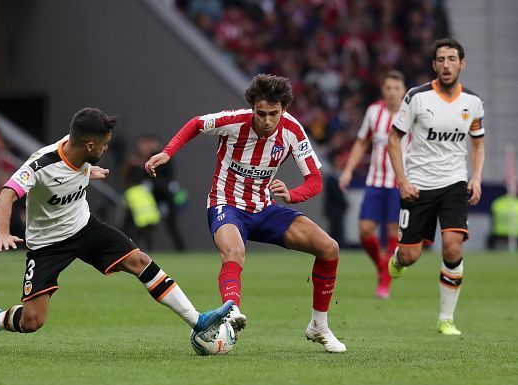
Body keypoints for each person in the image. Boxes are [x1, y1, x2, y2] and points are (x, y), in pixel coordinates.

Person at [0, 107, 233, 353]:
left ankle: (197, 321)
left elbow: (73, 165)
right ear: (90, 145)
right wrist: (2, 232)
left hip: (85, 227)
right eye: (104, 145)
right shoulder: (41, 164)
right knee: (33, 320)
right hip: (47, 244)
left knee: (139, 261)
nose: (106, 149)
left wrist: (87, 170)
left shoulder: (80, 150)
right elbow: (7, 194)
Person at [145, 74, 346, 353]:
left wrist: (292, 195)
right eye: (261, 113)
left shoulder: (293, 131)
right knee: (234, 251)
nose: (266, 120)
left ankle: (319, 326)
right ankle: (232, 311)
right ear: (253, 107)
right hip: (225, 204)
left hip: (263, 208)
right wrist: (168, 152)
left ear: (284, 109)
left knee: (329, 248)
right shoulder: (234, 121)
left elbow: (315, 181)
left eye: (273, 114)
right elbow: (196, 124)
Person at [387, 38, 485, 335]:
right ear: (434, 65)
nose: (446, 64)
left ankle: (446, 318)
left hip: (454, 183)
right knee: (410, 256)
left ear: (461, 64)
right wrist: (402, 181)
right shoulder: (417, 97)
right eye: (441, 59)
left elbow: (478, 144)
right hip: (418, 186)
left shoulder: (473, 102)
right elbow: (394, 139)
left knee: (453, 247)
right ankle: (398, 259)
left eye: (452, 59)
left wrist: (476, 177)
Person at [339, 70, 407, 299]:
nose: (392, 93)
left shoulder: (411, 115)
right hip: (375, 181)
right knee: (364, 231)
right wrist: (348, 170)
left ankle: (384, 284)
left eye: (397, 88)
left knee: (391, 232)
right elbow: (361, 143)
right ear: (382, 90)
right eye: (388, 88)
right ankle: (382, 266)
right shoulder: (374, 112)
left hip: (400, 183)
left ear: (404, 91)